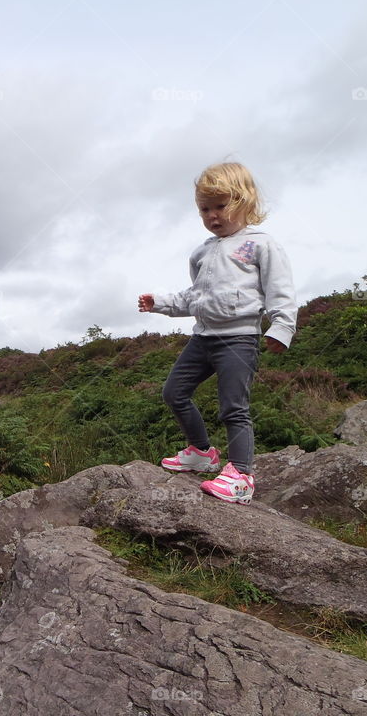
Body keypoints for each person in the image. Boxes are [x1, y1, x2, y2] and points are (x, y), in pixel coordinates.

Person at [137, 162, 296, 504]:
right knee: (174, 393)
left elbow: (279, 290)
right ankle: (202, 452)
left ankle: (241, 475)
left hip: (239, 339)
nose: (212, 215)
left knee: (233, 408)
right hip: (203, 338)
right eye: (205, 209)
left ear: (244, 201)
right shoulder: (202, 252)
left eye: (221, 206)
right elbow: (195, 296)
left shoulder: (260, 245)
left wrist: (281, 327)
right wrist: (160, 302)